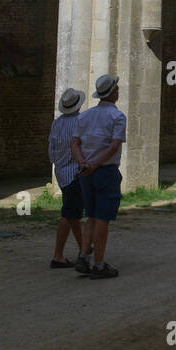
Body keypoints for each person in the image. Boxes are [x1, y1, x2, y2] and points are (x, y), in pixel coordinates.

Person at [70, 73, 126, 279]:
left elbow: (74, 143)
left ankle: (83, 256)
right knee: (103, 218)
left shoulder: (84, 116)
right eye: (117, 89)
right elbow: (114, 146)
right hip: (105, 171)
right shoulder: (117, 116)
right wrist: (94, 164)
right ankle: (99, 264)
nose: (119, 91)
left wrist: (83, 163)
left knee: (91, 216)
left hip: (85, 172)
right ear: (112, 93)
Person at [47, 88, 87, 269]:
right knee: (68, 214)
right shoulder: (81, 122)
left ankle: (84, 248)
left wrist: (58, 162)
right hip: (75, 174)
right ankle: (58, 256)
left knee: (73, 214)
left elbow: (51, 149)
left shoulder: (57, 123)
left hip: (61, 173)